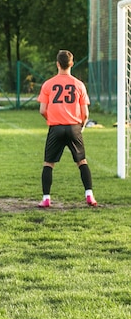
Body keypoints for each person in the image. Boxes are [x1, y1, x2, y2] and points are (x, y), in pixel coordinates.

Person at [37, 49, 97, 208]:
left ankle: (46, 198)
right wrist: (81, 126)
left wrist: (52, 119)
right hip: (74, 127)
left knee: (48, 163)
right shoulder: (79, 84)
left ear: (57, 64)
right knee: (82, 161)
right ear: (72, 64)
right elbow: (85, 113)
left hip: (56, 127)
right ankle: (89, 195)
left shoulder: (48, 84)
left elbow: (42, 110)